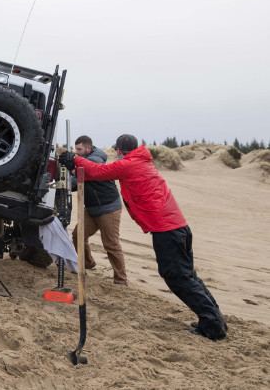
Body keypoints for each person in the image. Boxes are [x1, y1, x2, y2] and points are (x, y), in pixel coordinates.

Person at [59, 134, 228, 341]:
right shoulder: (141, 161)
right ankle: (215, 318)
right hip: (177, 226)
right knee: (187, 276)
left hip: (167, 229)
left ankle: (212, 324)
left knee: (177, 277)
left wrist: (73, 159)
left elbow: (98, 171)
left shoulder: (129, 164)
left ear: (119, 152)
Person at [69, 135, 127, 286]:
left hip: (108, 209)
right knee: (78, 235)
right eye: (75, 149)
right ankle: (88, 263)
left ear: (88, 148)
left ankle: (121, 280)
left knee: (111, 244)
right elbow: (76, 183)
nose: (77, 152)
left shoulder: (96, 158)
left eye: (79, 149)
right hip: (92, 208)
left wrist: (74, 166)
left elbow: (89, 168)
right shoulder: (83, 161)